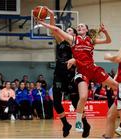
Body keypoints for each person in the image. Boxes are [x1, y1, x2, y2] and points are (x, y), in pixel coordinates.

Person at [37, 12, 118, 137]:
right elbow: (57, 29)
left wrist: (104, 31)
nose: (79, 27)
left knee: (116, 85)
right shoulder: (72, 39)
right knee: (83, 97)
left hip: (92, 69)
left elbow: (108, 40)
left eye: (81, 26)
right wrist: (43, 23)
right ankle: (77, 122)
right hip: (79, 71)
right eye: (78, 26)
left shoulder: (91, 40)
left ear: (86, 29)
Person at [36, 7, 91, 137]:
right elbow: (53, 27)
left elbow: (84, 57)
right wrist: (51, 15)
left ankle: (85, 123)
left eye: (70, 30)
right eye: (66, 30)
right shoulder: (61, 41)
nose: (67, 31)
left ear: (75, 34)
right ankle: (65, 124)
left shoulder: (77, 43)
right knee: (56, 102)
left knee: (75, 102)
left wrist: (75, 59)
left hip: (71, 75)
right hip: (59, 74)